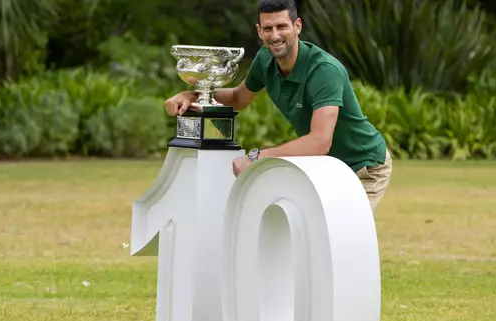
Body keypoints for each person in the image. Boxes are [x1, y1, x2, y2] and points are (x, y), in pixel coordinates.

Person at [164, 0, 392, 215]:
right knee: (307, 234)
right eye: (268, 28)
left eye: (282, 26)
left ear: (297, 26)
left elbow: (320, 141)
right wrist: (193, 95)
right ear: (258, 31)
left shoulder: (324, 71)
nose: (275, 35)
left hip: (364, 166)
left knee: (341, 238)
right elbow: (237, 97)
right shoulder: (265, 59)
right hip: (325, 166)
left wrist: (256, 158)